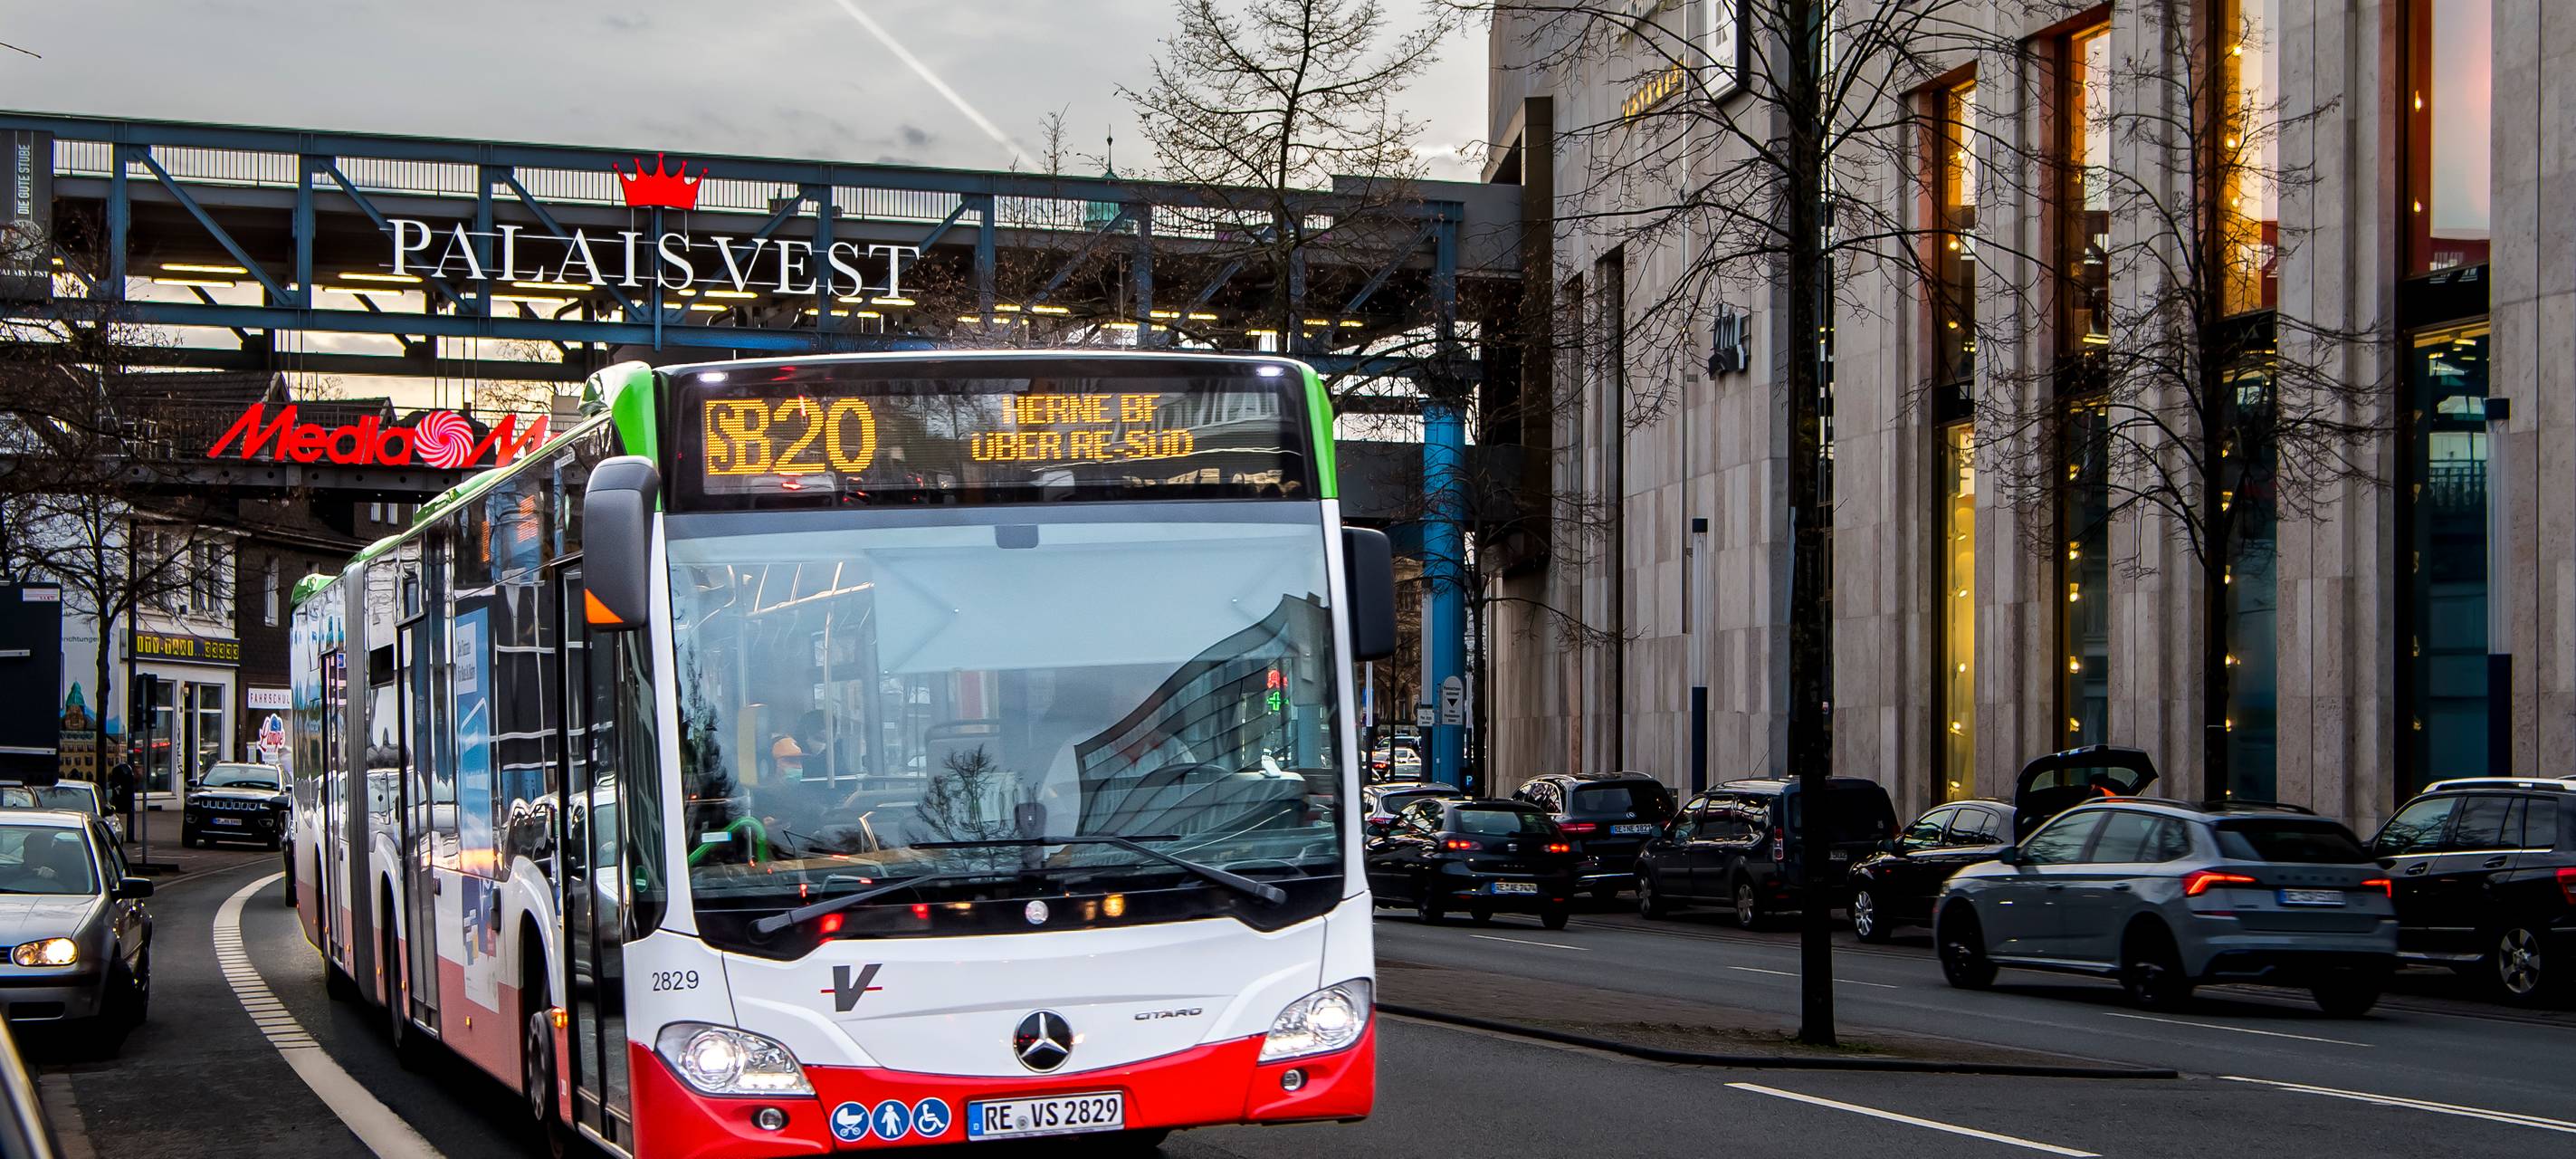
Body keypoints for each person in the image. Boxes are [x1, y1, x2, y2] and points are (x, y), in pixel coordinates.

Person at [105, 761, 137, 839]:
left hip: (123, 801)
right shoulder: (125, 770)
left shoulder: (121, 771)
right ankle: (129, 836)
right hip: (123, 801)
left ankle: (129, 836)